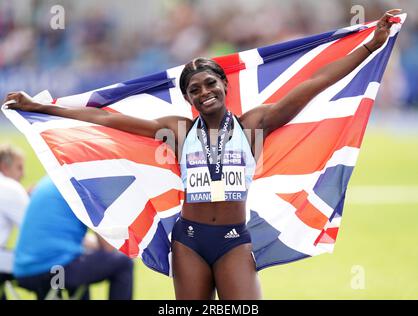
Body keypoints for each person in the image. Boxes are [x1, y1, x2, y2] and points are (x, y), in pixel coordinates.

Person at [4, 10, 401, 300]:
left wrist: (371, 44)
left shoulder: (253, 126)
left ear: (224, 84)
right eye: (194, 89)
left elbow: (316, 83)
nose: (203, 92)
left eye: (209, 83)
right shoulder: (178, 130)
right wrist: (42, 108)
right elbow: (104, 119)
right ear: (188, 97)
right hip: (189, 240)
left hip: (232, 239)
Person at [13, 176, 134, 300]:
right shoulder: (83, 186)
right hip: (53, 271)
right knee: (123, 262)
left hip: (24, 271)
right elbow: (108, 246)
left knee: (82, 262)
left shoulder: (50, 180)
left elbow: (59, 233)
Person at [0, 144, 29, 300]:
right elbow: (33, 227)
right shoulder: (10, 187)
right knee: (57, 268)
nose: (23, 174)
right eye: (19, 168)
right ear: (4, 166)